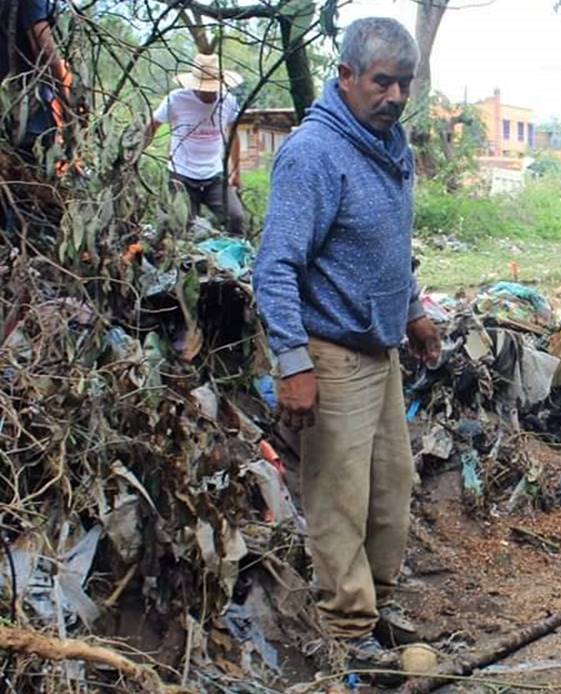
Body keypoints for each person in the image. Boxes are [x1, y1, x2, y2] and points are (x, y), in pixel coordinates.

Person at [252, 17, 440, 664]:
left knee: (393, 489)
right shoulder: (314, 154)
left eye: (404, 84)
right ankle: (346, 639)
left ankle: (376, 612)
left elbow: (390, 243)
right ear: (347, 78)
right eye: (382, 82)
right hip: (330, 352)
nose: (393, 96)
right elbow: (274, 265)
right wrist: (293, 361)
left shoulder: (392, 143)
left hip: (380, 349)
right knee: (339, 500)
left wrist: (413, 309)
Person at [145, 54, 245, 235]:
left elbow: (233, 136)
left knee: (235, 217)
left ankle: (235, 258)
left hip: (214, 175)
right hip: (181, 175)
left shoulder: (228, 102)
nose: (209, 92)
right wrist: (135, 154)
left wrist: (236, 171)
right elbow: (152, 126)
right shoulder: (176, 100)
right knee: (183, 227)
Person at [1, 0, 80, 156]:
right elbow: (44, 48)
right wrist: (67, 95)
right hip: (26, 104)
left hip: (8, 100)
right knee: (30, 163)